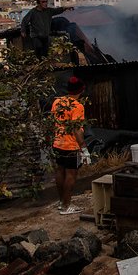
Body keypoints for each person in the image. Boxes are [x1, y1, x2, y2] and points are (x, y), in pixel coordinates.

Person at [51, 76, 90, 215]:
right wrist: (84, 149)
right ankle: (66, 206)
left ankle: (62, 202)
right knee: (71, 174)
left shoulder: (57, 102)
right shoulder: (77, 106)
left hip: (57, 143)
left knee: (60, 171)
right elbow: (77, 129)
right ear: (81, 90)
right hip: (70, 145)